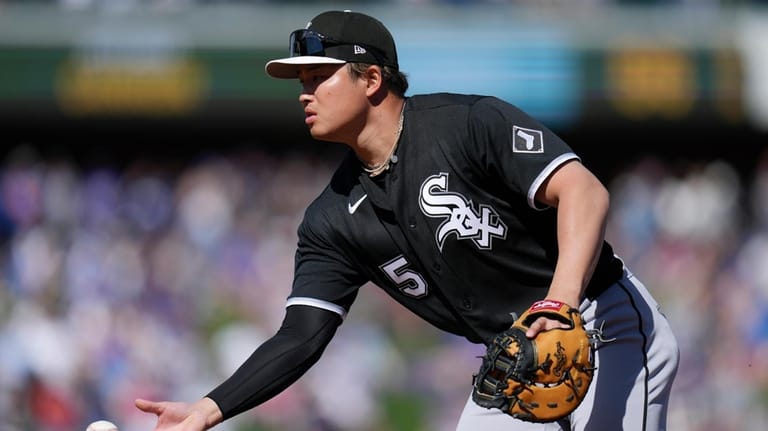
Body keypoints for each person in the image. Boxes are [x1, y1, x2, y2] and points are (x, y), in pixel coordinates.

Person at [135, 10, 679, 431]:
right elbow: (301, 334)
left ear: (371, 78)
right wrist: (210, 407)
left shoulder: (465, 124)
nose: (304, 92)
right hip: (512, 360)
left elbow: (584, 190)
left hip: (600, 322)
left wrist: (557, 303)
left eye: (319, 77)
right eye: (301, 80)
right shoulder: (331, 220)